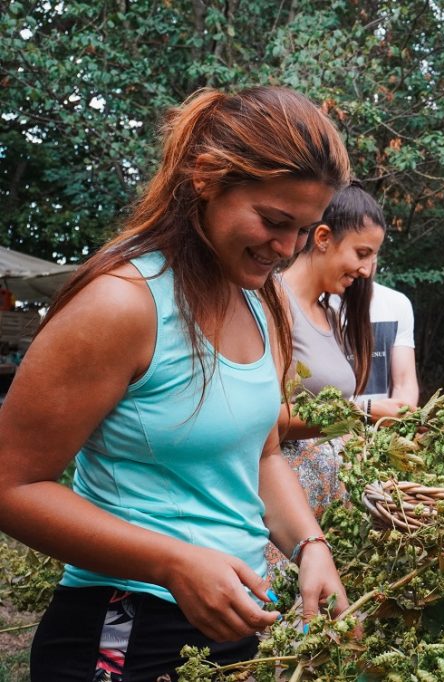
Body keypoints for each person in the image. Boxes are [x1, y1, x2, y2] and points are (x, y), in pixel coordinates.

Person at [0, 86, 352, 680]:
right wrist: (173, 564)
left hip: (233, 618)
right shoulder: (122, 304)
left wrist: (310, 547)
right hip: (125, 620)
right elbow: (13, 484)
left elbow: (263, 454)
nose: (288, 248)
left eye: (304, 230)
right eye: (273, 221)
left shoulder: (258, 303)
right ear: (205, 180)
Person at [273, 182, 410, 539]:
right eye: (361, 253)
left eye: (372, 257)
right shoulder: (273, 304)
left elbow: (329, 415)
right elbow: (268, 421)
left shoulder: (329, 315)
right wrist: (363, 413)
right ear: (322, 237)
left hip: (333, 505)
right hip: (288, 510)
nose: (367, 270)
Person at [351, 277, 419, 407]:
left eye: (372, 255)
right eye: (359, 255)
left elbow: (404, 383)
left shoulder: (397, 303)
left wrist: (398, 421)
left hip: (384, 423)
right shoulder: (318, 304)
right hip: (331, 424)